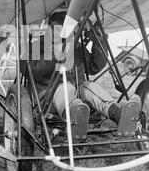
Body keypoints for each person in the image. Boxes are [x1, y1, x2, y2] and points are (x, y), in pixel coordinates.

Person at [28, 10, 141, 139]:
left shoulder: (74, 46)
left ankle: (120, 116)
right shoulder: (37, 44)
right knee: (65, 87)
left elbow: (94, 67)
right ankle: (74, 119)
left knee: (88, 86)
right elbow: (32, 70)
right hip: (48, 100)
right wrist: (56, 54)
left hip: (78, 99)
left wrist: (98, 41)